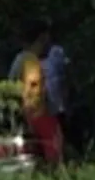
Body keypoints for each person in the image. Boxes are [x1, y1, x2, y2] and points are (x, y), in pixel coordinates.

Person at [9, 19, 64, 165]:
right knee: (53, 155)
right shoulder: (24, 61)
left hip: (46, 114)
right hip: (38, 115)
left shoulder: (45, 58)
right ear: (42, 37)